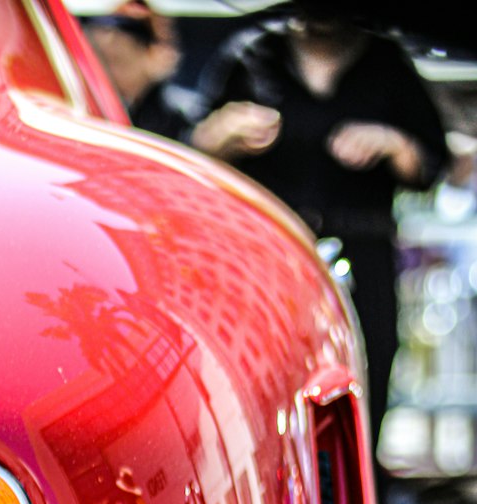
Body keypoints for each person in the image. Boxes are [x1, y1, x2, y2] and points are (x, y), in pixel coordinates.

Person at [189, 2, 449, 450]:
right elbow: (190, 150)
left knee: (367, 373)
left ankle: (364, 495)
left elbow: (431, 163)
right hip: (270, 254)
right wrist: (223, 134)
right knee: (265, 375)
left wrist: (393, 144)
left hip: (362, 249)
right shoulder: (252, 54)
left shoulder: (386, 62)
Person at [79, 3, 203, 143]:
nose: (107, 73)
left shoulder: (177, 124)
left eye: (118, 61)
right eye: (99, 60)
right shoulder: (84, 109)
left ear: (154, 55)